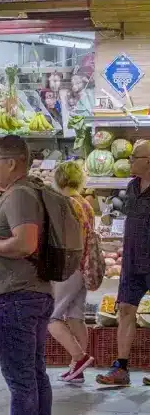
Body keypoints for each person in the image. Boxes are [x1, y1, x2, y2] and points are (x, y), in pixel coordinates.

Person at [0, 135, 53, 415]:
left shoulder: (20, 194)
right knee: (33, 376)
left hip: (17, 298)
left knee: (23, 382)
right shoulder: (26, 191)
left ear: (11, 163)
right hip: (29, 295)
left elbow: (25, 243)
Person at [97, 141, 150, 386]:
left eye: (134, 157)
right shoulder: (131, 186)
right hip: (131, 260)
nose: (130, 161)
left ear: (148, 160)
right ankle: (121, 368)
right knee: (126, 310)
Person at [48, 161, 95, 383]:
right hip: (84, 267)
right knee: (76, 317)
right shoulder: (86, 203)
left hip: (67, 267)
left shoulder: (63, 204)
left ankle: (79, 356)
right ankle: (78, 370)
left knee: (51, 317)